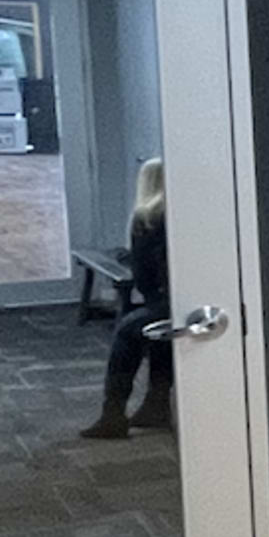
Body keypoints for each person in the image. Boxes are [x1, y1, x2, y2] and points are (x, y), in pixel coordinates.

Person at [81, 158, 173, 439]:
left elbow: (144, 277)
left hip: (165, 302)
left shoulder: (146, 217)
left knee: (128, 331)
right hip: (181, 299)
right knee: (157, 333)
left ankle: (113, 414)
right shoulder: (179, 213)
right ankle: (156, 404)